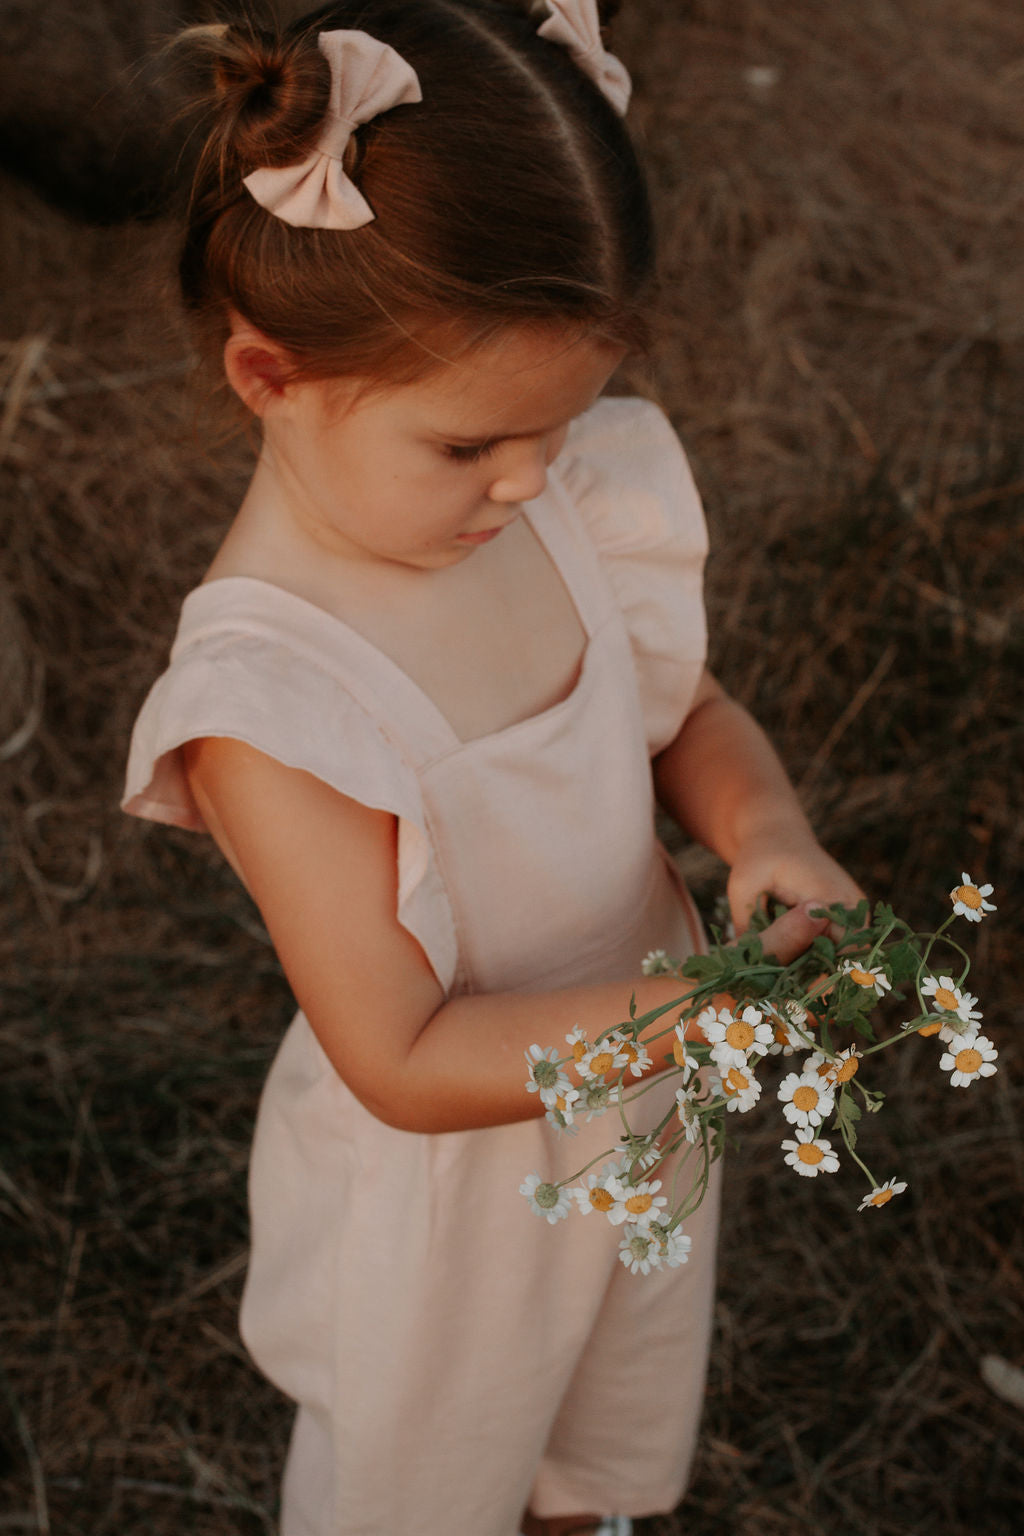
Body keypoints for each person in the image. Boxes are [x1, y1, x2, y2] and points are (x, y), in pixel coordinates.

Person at [123, 3, 863, 1533]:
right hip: (458, 1206)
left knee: (601, 1422)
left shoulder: (554, 493)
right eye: (471, 446)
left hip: (645, 1098)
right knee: (430, 1473)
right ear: (268, 374)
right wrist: (691, 1015)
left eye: (562, 421)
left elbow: (676, 712)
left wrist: (764, 824)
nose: (528, 480)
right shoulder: (276, 703)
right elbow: (400, 1055)